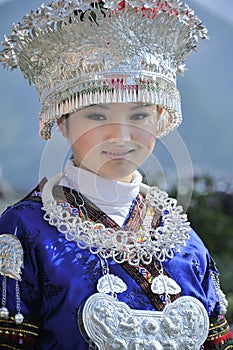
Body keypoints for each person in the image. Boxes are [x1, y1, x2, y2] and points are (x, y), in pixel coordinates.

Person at [0, 1, 232, 349]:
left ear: (160, 117)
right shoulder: (24, 232)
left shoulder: (185, 241)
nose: (120, 136)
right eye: (96, 116)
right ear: (61, 121)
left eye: (139, 116)